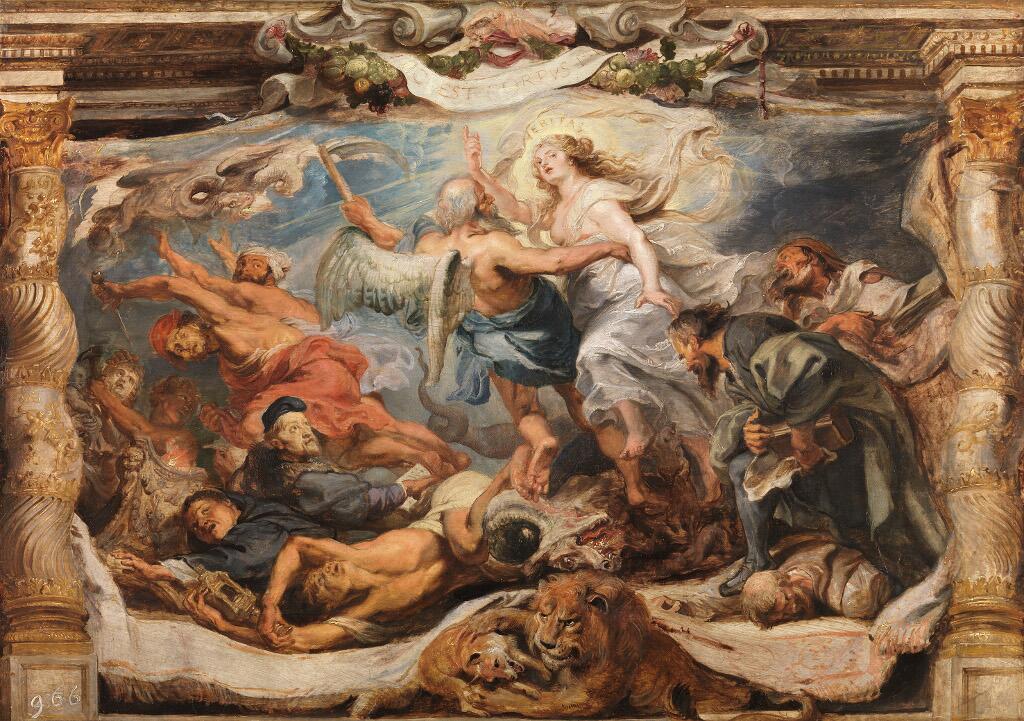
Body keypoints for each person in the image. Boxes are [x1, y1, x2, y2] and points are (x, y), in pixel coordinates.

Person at [463, 129, 764, 508]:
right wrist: (479, 173)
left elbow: (636, 239)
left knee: (600, 355)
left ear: (571, 156)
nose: (543, 163)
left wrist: (651, 286)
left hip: (628, 290)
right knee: (664, 384)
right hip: (595, 302)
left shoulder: (596, 196)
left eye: (551, 155)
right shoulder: (558, 208)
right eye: (538, 162)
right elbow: (517, 211)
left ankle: (639, 428)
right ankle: (704, 464)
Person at [343, 176, 633, 494]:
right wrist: (608, 246)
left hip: (494, 341)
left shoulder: (429, 249)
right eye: (484, 197)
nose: (490, 201)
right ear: (476, 208)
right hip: (544, 333)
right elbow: (557, 262)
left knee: (525, 411)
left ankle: (543, 440)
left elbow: (397, 244)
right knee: (581, 400)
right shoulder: (493, 245)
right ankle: (634, 485)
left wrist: (368, 221)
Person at [668, 304, 947, 597]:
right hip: (817, 430)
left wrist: (803, 442)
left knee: (864, 514)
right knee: (741, 467)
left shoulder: (746, 336)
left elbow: (810, 371)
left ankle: (900, 569)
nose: (686, 365)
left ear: (693, 341)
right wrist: (753, 432)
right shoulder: (732, 368)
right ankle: (757, 560)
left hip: (855, 418)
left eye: (682, 355)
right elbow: (761, 407)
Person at [90, 273, 467, 477]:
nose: (186, 350)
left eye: (181, 340)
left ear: (188, 322)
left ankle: (437, 461)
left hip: (315, 372)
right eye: (180, 353)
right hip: (321, 378)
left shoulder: (224, 320)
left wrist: (124, 290)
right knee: (364, 438)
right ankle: (444, 458)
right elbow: (255, 395)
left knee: (254, 429)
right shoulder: (225, 364)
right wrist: (223, 418)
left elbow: (174, 284)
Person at [185, 459, 529, 652]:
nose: (326, 570)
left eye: (317, 572)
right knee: (491, 559)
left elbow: (297, 546)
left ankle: (502, 478)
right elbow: (293, 639)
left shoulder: (356, 556)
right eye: (322, 585)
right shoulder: (367, 612)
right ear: (333, 606)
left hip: (451, 507)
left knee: (467, 548)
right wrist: (222, 624)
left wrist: (270, 604)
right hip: (487, 564)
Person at [766, 236, 956, 386]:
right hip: (866, 369)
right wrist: (837, 322)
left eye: (785, 258)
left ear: (813, 257)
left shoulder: (856, 276)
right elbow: (795, 349)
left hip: (907, 334)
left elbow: (903, 302)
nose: (779, 267)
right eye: (778, 265)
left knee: (946, 312)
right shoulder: (797, 311)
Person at [238, 396, 439, 528]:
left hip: (339, 506)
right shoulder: (304, 479)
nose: (306, 432)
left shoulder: (290, 460)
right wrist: (407, 488)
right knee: (407, 518)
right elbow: (364, 502)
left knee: (380, 474)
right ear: (277, 443)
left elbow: (337, 476)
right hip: (341, 524)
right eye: (294, 429)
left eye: (305, 425)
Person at [112, 488, 333, 594]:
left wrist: (162, 570)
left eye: (205, 510)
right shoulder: (240, 534)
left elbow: (245, 560)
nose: (202, 522)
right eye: (195, 527)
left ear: (228, 503)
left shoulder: (263, 524)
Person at [156, 228, 318, 324]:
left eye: (256, 265)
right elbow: (243, 275)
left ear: (271, 274)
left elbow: (202, 279)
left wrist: (168, 254)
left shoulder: (252, 292)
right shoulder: (281, 294)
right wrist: (225, 253)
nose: (245, 269)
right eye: (241, 264)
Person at [739, 534, 895, 628]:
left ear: (784, 582)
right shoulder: (781, 575)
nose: (793, 609)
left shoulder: (853, 598)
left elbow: (883, 587)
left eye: (787, 600)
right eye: (783, 616)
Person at [88, 374, 201, 468]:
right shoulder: (132, 426)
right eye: (184, 397)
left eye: (191, 404)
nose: (187, 406)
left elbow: (143, 431)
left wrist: (102, 393)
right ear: (162, 395)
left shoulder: (185, 438)